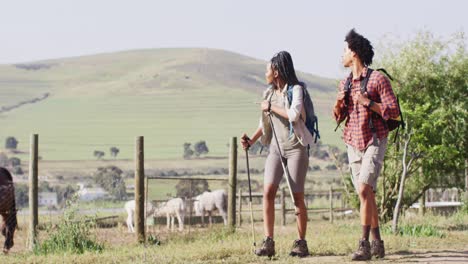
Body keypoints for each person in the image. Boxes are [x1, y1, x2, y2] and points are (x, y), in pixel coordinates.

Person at [333, 29, 400, 261]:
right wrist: (339, 103)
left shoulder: (378, 79)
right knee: (366, 193)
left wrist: (369, 102)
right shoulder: (345, 83)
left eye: (344, 50)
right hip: (352, 141)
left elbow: (393, 113)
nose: (341, 55)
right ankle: (378, 242)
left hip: (374, 139)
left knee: (363, 189)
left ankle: (363, 245)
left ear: (354, 53)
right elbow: (337, 118)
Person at [241, 51, 314, 258]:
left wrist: (271, 107)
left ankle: (301, 243)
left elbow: (293, 115)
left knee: (297, 196)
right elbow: (264, 125)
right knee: (268, 192)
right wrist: (251, 141)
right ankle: (268, 241)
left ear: (276, 71)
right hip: (275, 148)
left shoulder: (296, 90)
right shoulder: (269, 93)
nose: (265, 73)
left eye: (267, 69)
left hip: (296, 148)